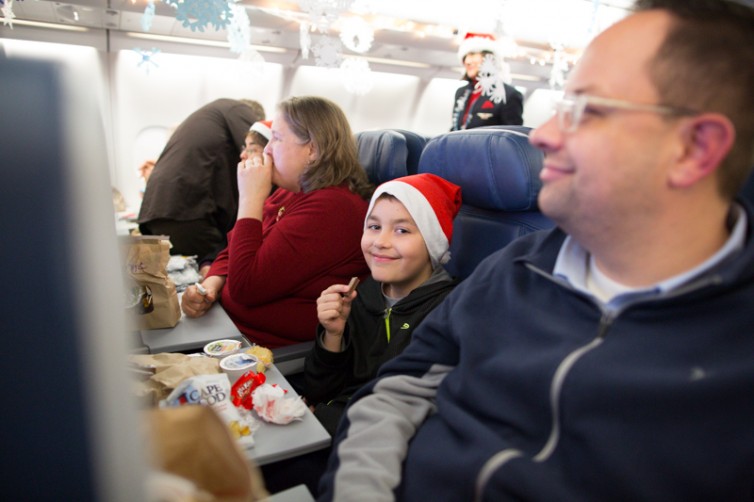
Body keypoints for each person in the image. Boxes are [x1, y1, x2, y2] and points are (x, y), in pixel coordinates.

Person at [319, 1, 754, 500]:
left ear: (694, 149)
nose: (543, 136)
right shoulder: (517, 266)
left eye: (584, 110)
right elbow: (397, 392)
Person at [181, 96, 373, 349]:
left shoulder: (332, 207)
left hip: (267, 350)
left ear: (313, 149)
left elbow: (244, 288)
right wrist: (211, 285)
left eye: (277, 139)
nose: (267, 149)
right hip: (231, 327)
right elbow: (236, 248)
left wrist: (249, 198)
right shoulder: (291, 191)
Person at [304, 173, 462, 436]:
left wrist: (323, 420)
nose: (380, 242)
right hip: (335, 426)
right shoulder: (364, 293)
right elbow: (320, 390)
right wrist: (333, 335)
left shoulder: (449, 312)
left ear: (433, 244)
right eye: (374, 227)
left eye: (402, 230)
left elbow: (407, 414)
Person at [138, 98, 265, 263]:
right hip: (187, 215)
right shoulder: (237, 109)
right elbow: (261, 151)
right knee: (219, 266)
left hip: (154, 218)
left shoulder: (212, 116)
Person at [450, 32, 524, 131]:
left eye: (472, 54)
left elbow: (511, 137)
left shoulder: (508, 95)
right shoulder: (461, 93)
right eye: (465, 57)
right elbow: (455, 128)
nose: (467, 61)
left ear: (489, 57)